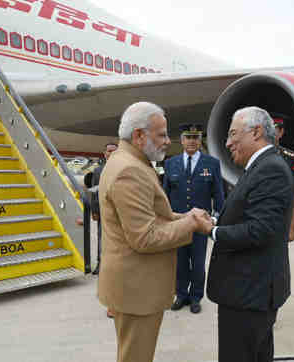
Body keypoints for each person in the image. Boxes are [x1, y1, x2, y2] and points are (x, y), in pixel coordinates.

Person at [97, 102, 212, 362]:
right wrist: (192, 224)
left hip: (133, 285)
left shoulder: (129, 160)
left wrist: (186, 216)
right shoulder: (130, 170)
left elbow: (153, 214)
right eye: (161, 134)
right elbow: (144, 237)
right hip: (137, 289)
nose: (167, 141)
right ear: (139, 135)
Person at [205, 106, 293, 362]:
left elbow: (260, 230)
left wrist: (212, 231)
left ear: (256, 132)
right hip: (249, 291)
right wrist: (213, 220)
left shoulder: (270, 169)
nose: (228, 142)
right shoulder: (260, 167)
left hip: (249, 294)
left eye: (233, 134)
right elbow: (249, 217)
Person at [163, 123, 224, 314]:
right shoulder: (170, 163)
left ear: (200, 140)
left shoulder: (212, 163)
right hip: (178, 224)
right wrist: (165, 220)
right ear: (181, 140)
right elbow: (164, 196)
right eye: (188, 137)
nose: (191, 141)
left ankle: (196, 297)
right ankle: (181, 295)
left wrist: (215, 219)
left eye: (195, 138)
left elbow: (219, 195)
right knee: (180, 262)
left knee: (198, 263)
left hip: (200, 225)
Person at [84, 142, 118, 276]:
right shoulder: (98, 171)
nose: (111, 153)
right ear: (105, 154)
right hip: (104, 211)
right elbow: (94, 192)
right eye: (109, 151)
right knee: (102, 238)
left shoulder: (125, 168)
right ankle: (100, 263)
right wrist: (94, 210)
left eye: (114, 151)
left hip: (120, 211)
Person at [272, 115, 294, 242]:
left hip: (280, 219)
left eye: (274, 130)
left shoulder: (291, 159)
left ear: (281, 133)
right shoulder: (252, 156)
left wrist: (292, 228)